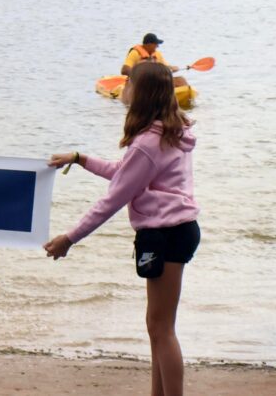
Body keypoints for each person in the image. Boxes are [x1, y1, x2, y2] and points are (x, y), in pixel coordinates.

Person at [45, 61, 200, 396]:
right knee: (156, 326)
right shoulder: (166, 131)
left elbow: (113, 199)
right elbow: (125, 171)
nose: (123, 86)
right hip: (176, 230)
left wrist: (69, 238)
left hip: (166, 234)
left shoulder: (148, 143)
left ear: (141, 92)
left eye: (128, 82)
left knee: (162, 328)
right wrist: (79, 158)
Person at [121, 33, 188, 88]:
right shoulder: (135, 53)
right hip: (139, 83)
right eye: (156, 44)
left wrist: (172, 68)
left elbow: (165, 66)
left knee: (181, 80)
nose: (157, 46)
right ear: (149, 44)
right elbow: (124, 70)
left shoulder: (157, 54)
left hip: (154, 83)